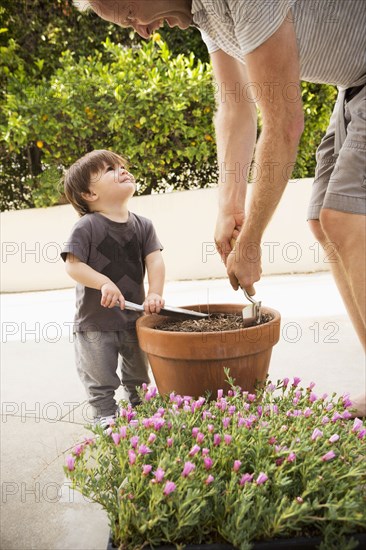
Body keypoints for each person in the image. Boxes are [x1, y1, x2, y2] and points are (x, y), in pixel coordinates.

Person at [72, 0, 365, 417]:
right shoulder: (206, 15)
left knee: (345, 217)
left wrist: (252, 241)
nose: (142, 32)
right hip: (352, 84)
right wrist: (229, 207)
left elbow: (283, 122)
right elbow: (235, 106)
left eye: (133, 16)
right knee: (322, 220)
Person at [61, 149, 165, 428]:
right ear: (89, 194)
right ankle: (105, 416)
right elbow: (73, 265)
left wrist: (154, 292)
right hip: (95, 321)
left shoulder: (144, 226)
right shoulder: (86, 227)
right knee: (99, 376)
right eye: (110, 169)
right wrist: (104, 282)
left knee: (138, 375)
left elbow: (155, 260)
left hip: (134, 318)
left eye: (121, 165)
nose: (122, 170)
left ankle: (142, 413)